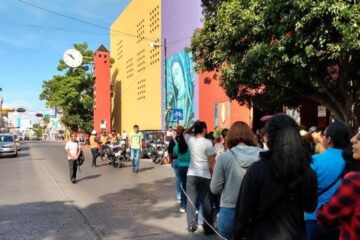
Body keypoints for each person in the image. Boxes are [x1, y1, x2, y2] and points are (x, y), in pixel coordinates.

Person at [233, 115, 318, 240]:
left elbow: (243, 212)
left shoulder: (257, 170)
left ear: (269, 139)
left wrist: (238, 234)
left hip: (262, 234)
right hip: (296, 233)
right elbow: (310, 207)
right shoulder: (306, 170)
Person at [210, 122, 263, 240]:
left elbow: (214, 188)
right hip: (256, 211)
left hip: (229, 210)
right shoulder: (261, 155)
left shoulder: (224, 157)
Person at [305, 122, 351, 240]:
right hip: (344, 219)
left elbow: (305, 188)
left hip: (315, 218)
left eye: (324, 135)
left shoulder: (315, 160)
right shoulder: (352, 161)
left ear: (329, 139)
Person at [317, 128, 360, 240]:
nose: (353, 139)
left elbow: (326, 216)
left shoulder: (354, 180)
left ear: (329, 139)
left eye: (359, 137)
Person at [183, 121, 216, 235]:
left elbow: (184, 132)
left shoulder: (190, 140)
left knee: (191, 200)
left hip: (191, 174)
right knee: (206, 201)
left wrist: (193, 125)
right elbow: (212, 162)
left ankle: (191, 225)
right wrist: (216, 175)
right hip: (205, 175)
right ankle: (207, 227)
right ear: (204, 130)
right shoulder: (208, 143)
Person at [173, 127, 190, 213]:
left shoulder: (178, 145)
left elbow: (174, 153)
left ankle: (183, 206)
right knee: (191, 188)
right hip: (189, 168)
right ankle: (193, 207)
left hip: (180, 167)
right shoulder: (190, 145)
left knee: (183, 187)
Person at [168, 127, 181, 201]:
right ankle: (183, 194)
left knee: (178, 179)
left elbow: (170, 152)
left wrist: (171, 161)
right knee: (184, 179)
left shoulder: (172, 141)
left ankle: (179, 195)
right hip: (185, 161)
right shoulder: (185, 140)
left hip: (176, 160)